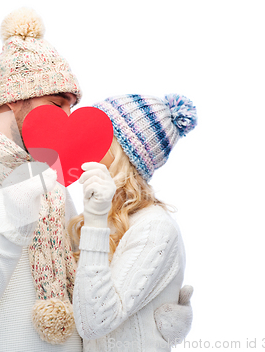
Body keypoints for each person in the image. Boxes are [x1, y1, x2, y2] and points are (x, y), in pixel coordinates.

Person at [0, 8, 192, 352]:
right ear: (14, 100)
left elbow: (92, 288)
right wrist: (13, 232)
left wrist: (157, 320)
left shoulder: (52, 181)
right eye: (59, 104)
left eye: (72, 107)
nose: (68, 121)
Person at [70, 94, 197, 352]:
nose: (85, 142)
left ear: (123, 154)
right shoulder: (100, 216)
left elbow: (95, 323)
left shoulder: (155, 228)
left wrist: (95, 220)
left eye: (98, 136)